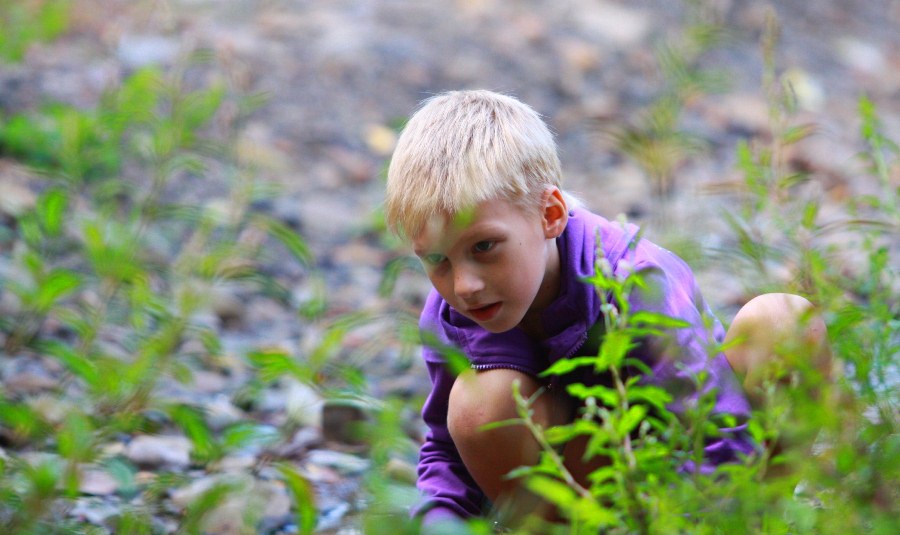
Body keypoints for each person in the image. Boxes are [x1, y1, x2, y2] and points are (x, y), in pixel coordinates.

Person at [383, 90, 831, 527]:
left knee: (785, 321)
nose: (464, 286)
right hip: (590, 482)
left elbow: (714, 427)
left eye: (484, 247)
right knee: (477, 403)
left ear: (550, 215)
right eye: (437, 260)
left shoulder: (633, 280)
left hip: (694, 465)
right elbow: (446, 453)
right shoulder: (450, 312)